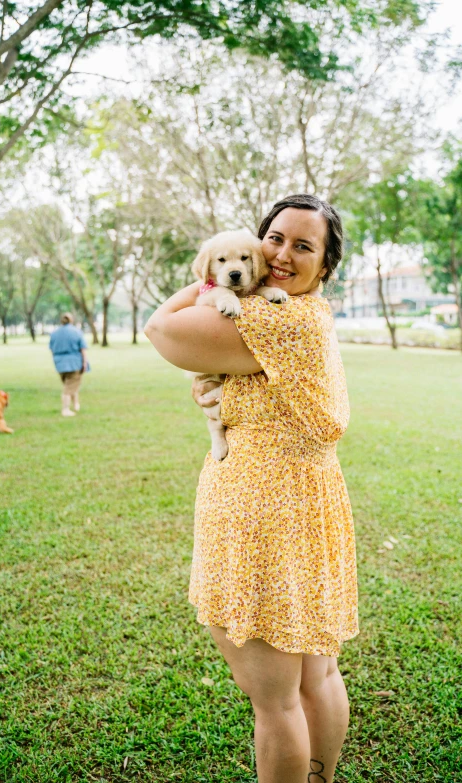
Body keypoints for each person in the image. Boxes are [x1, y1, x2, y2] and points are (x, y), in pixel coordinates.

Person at [144, 194, 359, 783]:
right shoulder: (312, 314)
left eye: (304, 245)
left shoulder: (272, 317)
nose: (283, 255)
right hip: (308, 501)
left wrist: (204, 280)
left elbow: (161, 328)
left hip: (263, 510)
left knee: (277, 699)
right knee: (316, 674)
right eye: (275, 238)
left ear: (326, 264)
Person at [49, 312, 88, 417]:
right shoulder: (76, 332)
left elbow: (52, 349)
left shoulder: (55, 333)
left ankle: (76, 404)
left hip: (60, 364)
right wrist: (84, 362)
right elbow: (83, 349)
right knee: (69, 387)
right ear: (72, 320)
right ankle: (65, 409)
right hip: (74, 363)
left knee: (70, 385)